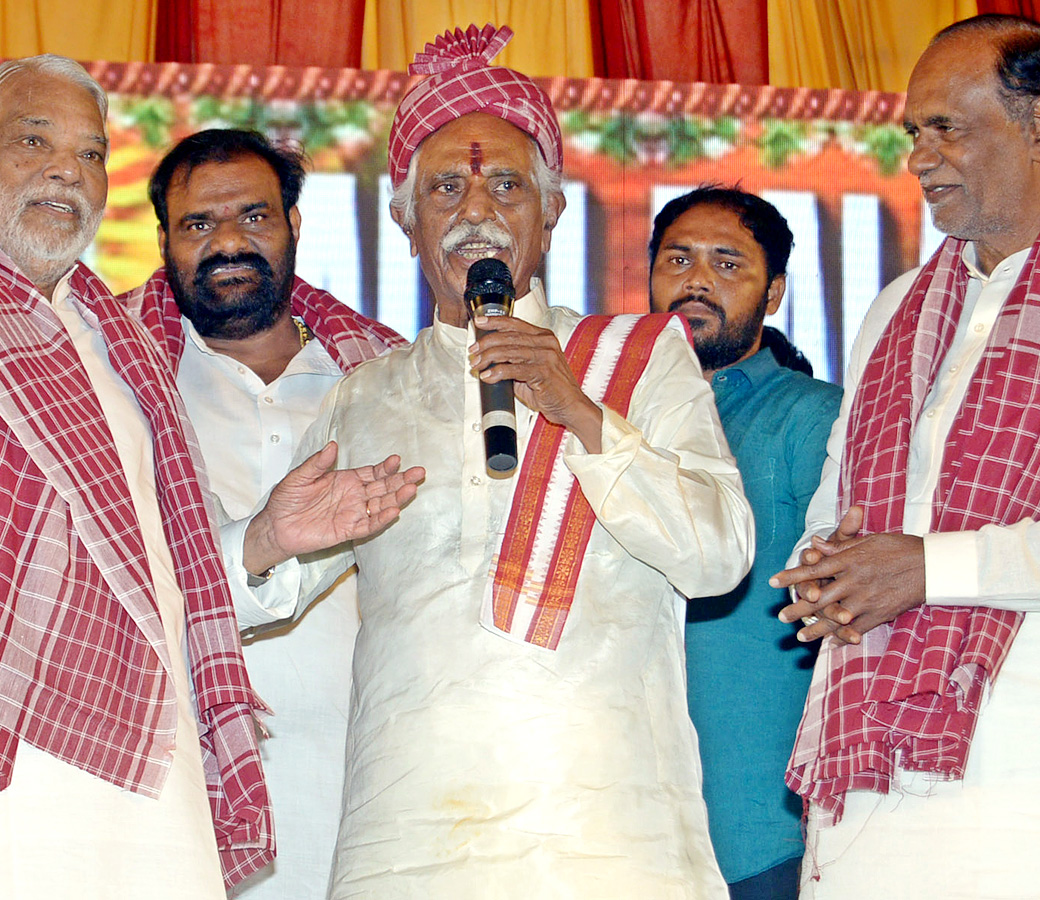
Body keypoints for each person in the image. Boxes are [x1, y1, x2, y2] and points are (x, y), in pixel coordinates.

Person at [0, 56, 419, 900]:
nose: (66, 171)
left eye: (90, 153)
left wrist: (265, 540)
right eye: (34, 139)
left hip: (146, 804)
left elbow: (155, 583)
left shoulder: (120, 358)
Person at [236, 24, 753, 899]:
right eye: (445, 187)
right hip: (406, 844)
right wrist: (267, 539)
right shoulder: (366, 395)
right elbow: (260, 596)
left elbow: (718, 557)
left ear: (551, 212)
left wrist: (582, 414)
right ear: (404, 222)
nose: (477, 207)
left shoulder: (641, 356)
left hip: (612, 844)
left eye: (508, 183)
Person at [772, 14, 1040, 899]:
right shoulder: (898, 309)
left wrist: (930, 568)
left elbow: (922, 556)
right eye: (911, 133)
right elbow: (834, 503)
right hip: (873, 770)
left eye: (947, 129)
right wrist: (827, 570)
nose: (920, 158)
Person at [126, 127, 406, 899]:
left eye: (253, 217)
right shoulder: (114, 381)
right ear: (163, 241)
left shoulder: (383, 381)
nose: (227, 244)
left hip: (366, 794)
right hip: (172, 795)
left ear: (293, 226)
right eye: (198, 225)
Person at [649, 187, 841, 900]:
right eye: (678, 259)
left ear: (776, 291)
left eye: (728, 263)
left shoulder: (815, 419)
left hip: (761, 830)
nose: (696, 281)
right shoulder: (608, 420)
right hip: (620, 818)